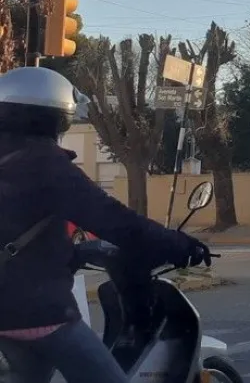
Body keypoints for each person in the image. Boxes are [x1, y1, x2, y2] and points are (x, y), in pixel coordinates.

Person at [0, 67, 211, 383]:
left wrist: (73, 254)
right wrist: (178, 244)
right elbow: (117, 222)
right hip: (41, 316)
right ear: (56, 116)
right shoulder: (48, 166)